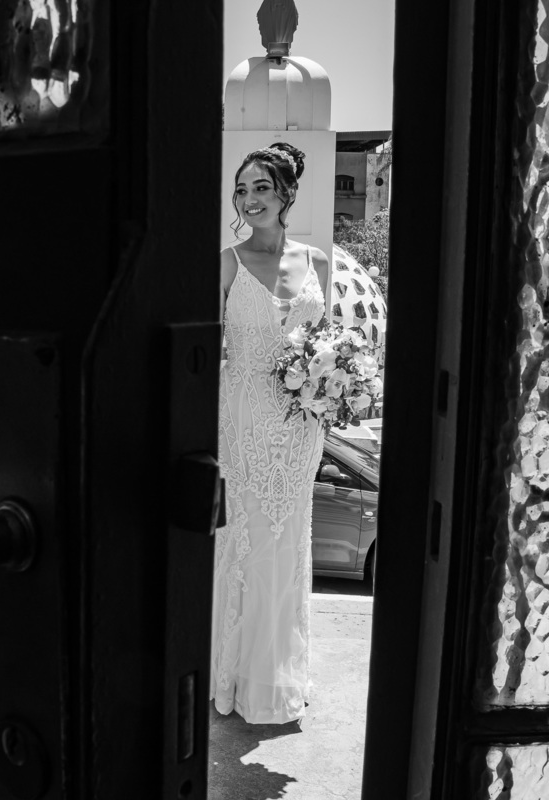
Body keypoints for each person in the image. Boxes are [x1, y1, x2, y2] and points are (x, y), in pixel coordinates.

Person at [211, 142, 330, 724]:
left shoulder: (319, 263)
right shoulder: (227, 263)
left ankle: (280, 676)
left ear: (285, 194)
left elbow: (329, 349)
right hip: (243, 422)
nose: (249, 198)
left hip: (301, 428)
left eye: (261, 187)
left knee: (287, 550)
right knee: (248, 546)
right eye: (242, 189)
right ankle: (234, 677)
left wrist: (332, 382)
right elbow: (208, 352)